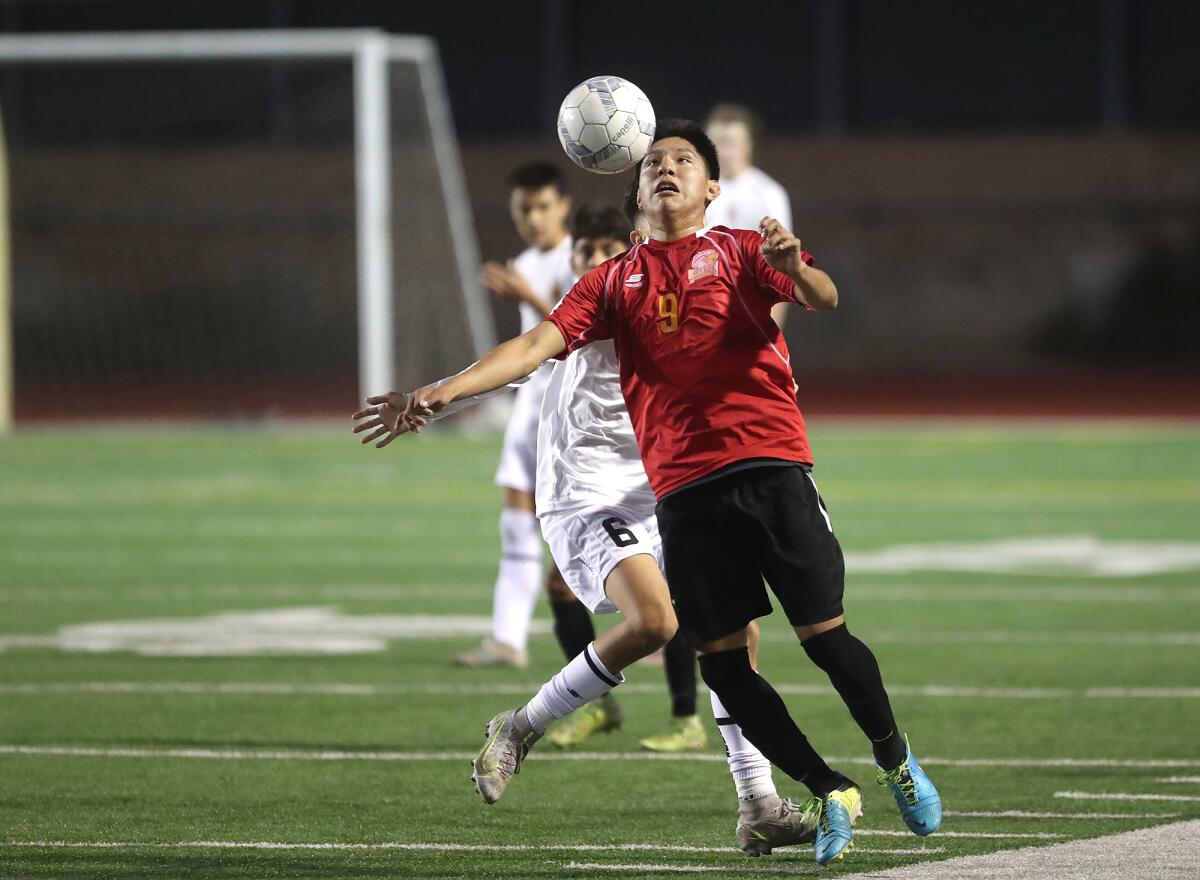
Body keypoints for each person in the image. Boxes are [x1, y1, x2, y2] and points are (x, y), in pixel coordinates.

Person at [381, 119, 942, 866]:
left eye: (684, 159)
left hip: (761, 472)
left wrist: (795, 267)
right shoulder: (612, 284)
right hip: (654, 495)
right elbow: (528, 347)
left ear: (714, 186)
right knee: (698, 647)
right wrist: (439, 392)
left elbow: (823, 293)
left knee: (809, 641)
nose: (668, 168)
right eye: (654, 163)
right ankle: (809, 787)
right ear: (637, 190)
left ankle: (862, 773)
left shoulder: (744, 247)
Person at [355, 202, 810, 856]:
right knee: (657, 623)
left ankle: (758, 802)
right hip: (587, 498)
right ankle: (521, 726)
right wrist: (436, 394)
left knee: (737, 631)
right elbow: (526, 351)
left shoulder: (683, 296)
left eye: (605, 249)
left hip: (666, 494)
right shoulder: (595, 300)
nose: (595, 262)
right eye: (584, 254)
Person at [455, 162, 573, 670]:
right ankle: (507, 639)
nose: (533, 217)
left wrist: (527, 294)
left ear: (563, 206)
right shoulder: (526, 259)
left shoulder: (582, 256)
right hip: (531, 409)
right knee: (516, 527)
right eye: (523, 208)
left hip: (572, 412)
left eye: (543, 206)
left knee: (589, 532)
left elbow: (579, 334)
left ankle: (662, 630)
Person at [704, 104, 795, 329]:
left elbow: (782, 266)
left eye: (731, 142)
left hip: (752, 308)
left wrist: (771, 332)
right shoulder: (694, 192)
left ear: (748, 145)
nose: (723, 151)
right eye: (716, 142)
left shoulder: (768, 193)